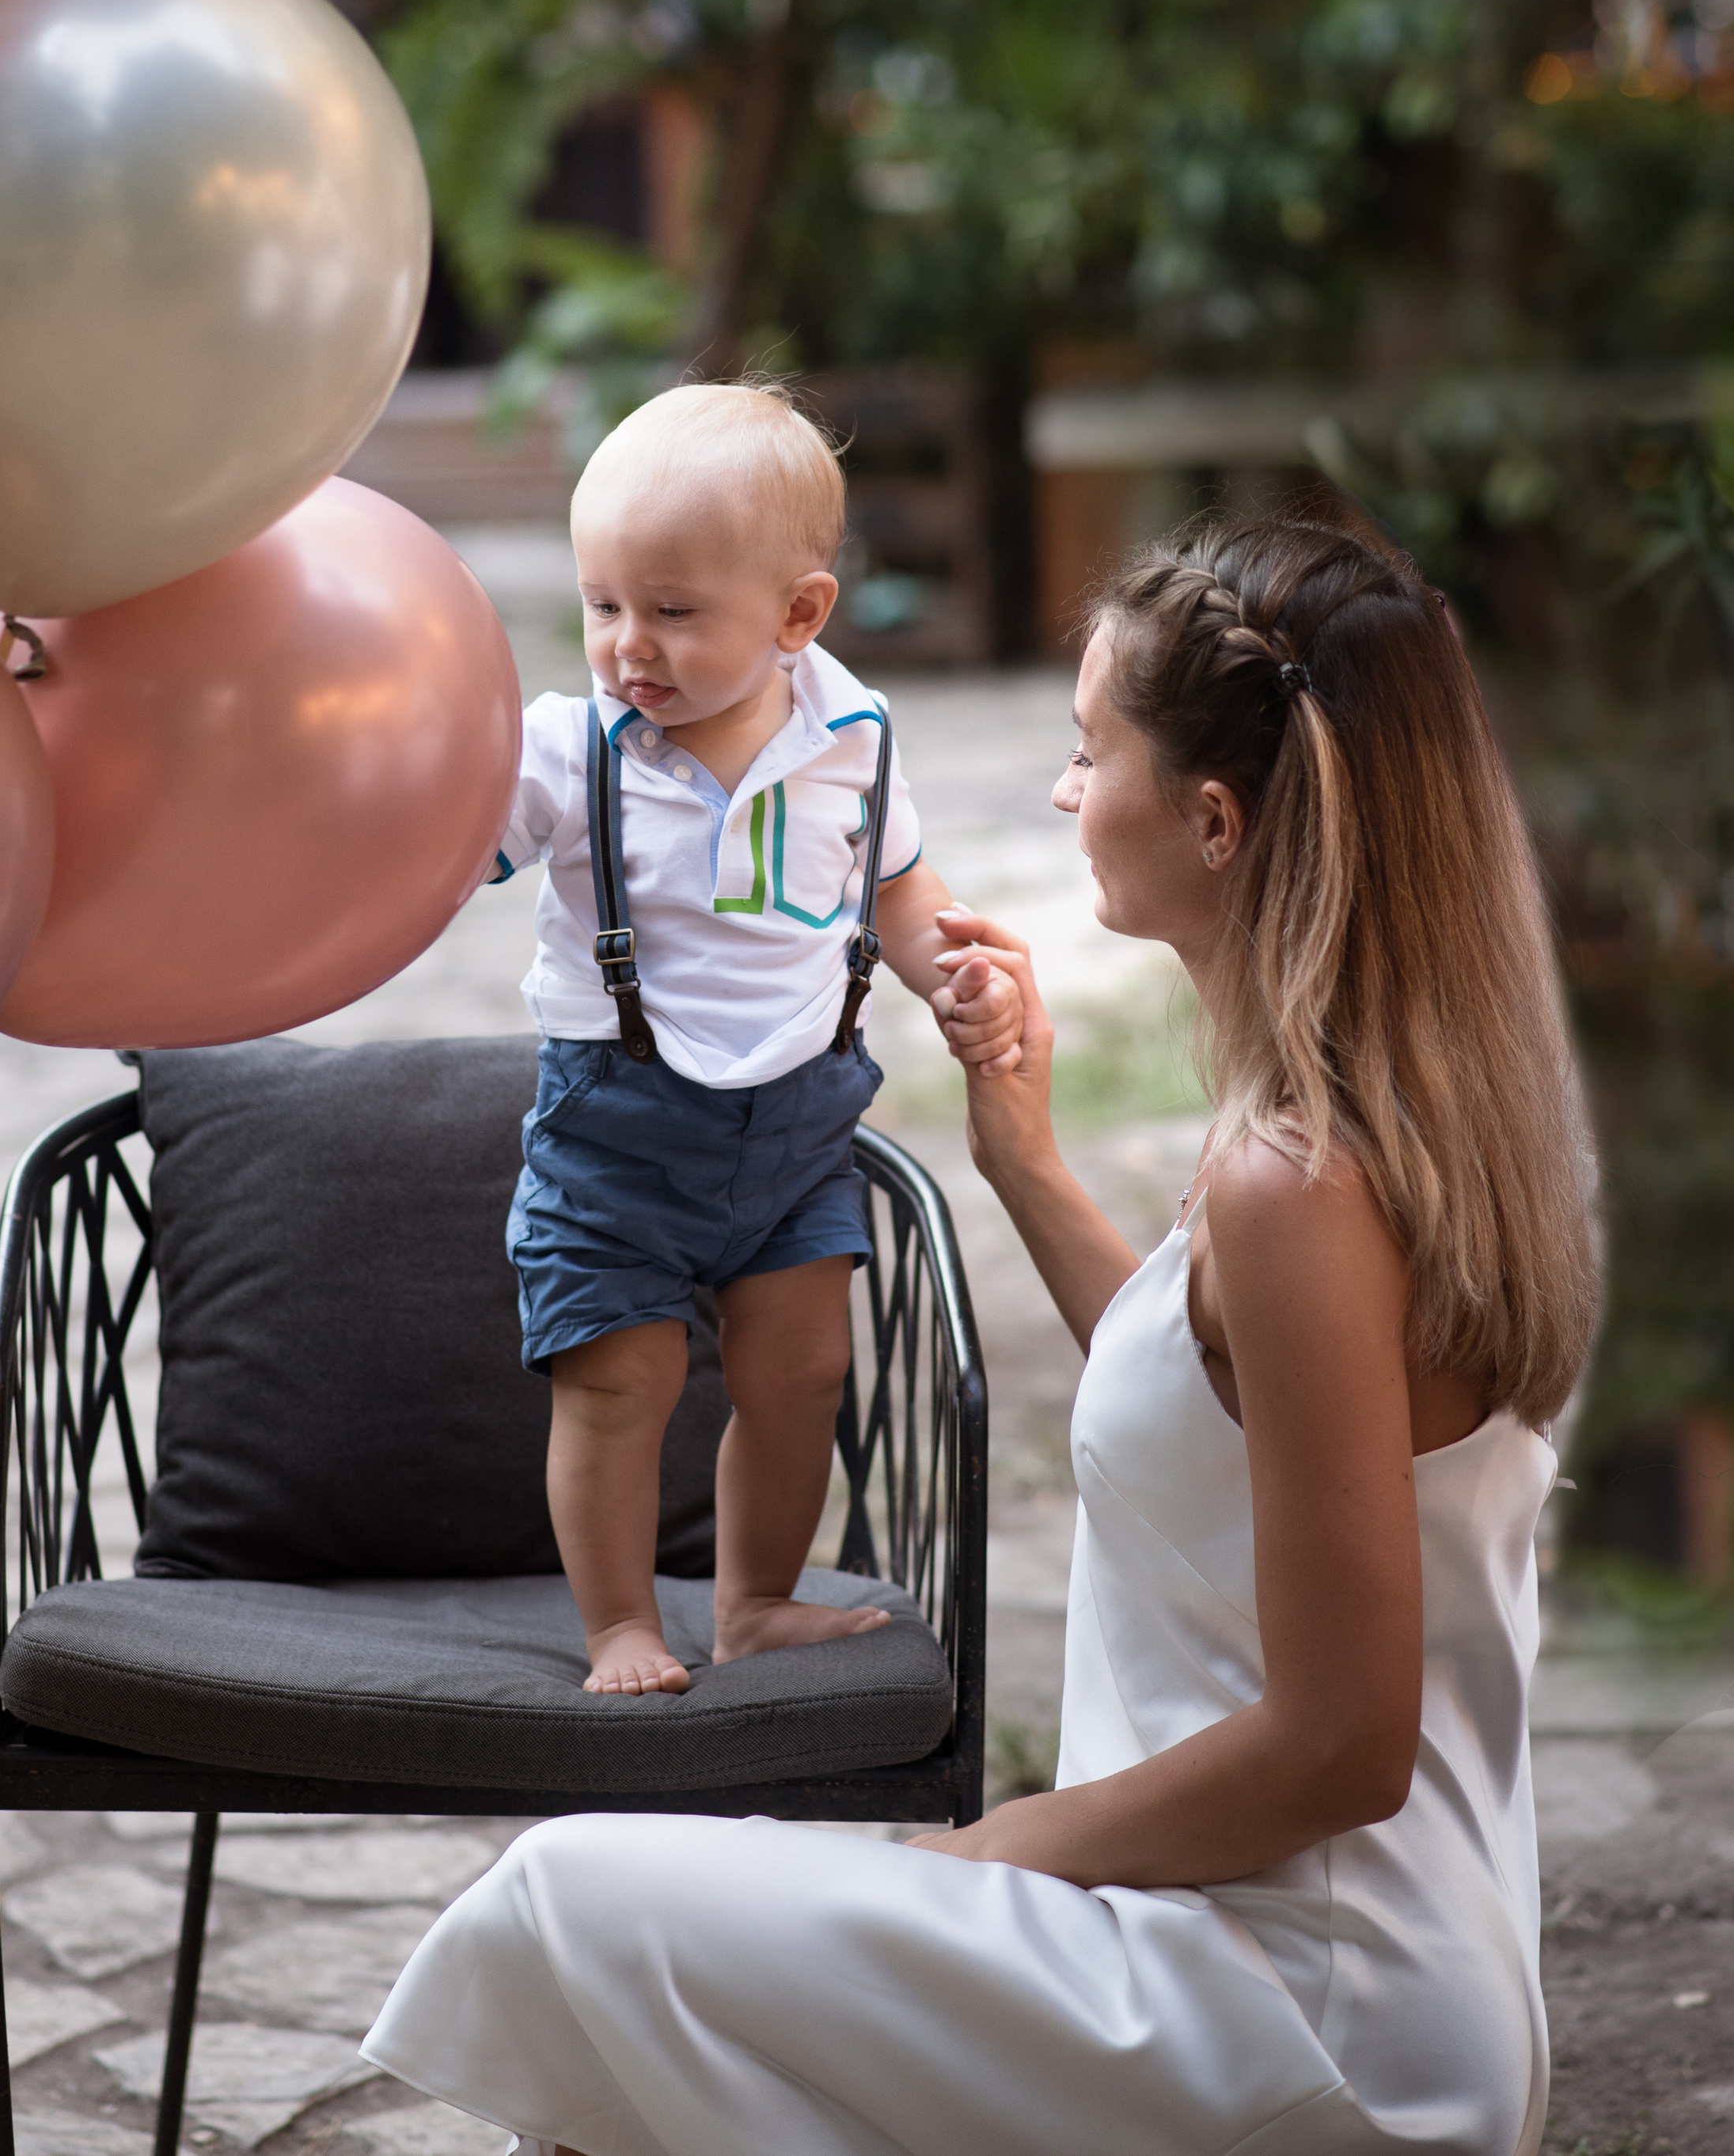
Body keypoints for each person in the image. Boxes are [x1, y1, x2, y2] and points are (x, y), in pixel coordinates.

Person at [363, 512, 1599, 2156]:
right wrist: (1019, 1153)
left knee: (581, 1902)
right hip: (1323, 1961)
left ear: (1214, 819)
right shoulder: (1392, 1134)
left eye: (1089, 754)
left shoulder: (1291, 1186)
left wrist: (994, 1849)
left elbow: (1338, 1745)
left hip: (1281, 1998)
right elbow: (1227, 1425)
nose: (1060, 792)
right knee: (640, 1978)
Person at [491, 381, 1024, 1698]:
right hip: (615, 1129)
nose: (629, 647)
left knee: (803, 1374)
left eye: (673, 611)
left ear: (798, 615)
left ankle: (758, 1601)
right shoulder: (570, 751)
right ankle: (621, 1622)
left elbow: (899, 891)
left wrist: (956, 968)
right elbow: (446, 848)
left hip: (795, 1131)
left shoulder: (854, 737)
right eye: (603, 604)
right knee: (621, 1379)